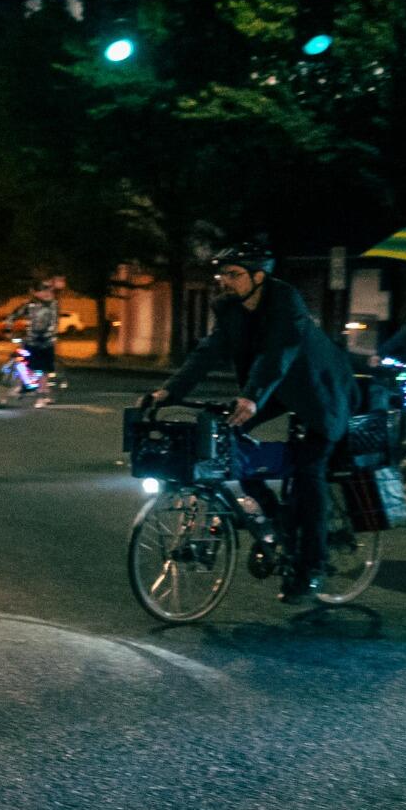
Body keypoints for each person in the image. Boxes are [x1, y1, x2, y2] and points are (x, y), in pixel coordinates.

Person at [144, 242, 354, 603]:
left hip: (319, 392)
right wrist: (168, 391)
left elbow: (278, 353)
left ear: (259, 276)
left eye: (233, 274)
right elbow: (207, 352)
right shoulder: (230, 308)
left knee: (309, 471)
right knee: (227, 440)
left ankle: (312, 567)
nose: (224, 281)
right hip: (275, 389)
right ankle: (276, 517)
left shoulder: (286, 303)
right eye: (222, 274)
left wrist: (253, 396)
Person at [13, 281, 62, 387]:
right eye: (41, 291)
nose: (45, 293)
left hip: (46, 340)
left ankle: (43, 390)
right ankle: (25, 385)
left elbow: (53, 322)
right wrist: (8, 329)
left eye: (47, 291)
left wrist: (50, 335)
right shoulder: (29, 304)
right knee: (27, 363)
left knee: (43, 367)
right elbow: (14, 315)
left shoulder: (52, 304)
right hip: (32, 339)